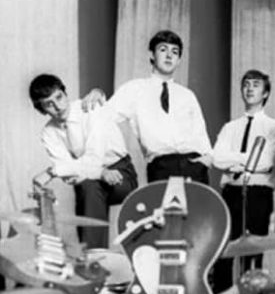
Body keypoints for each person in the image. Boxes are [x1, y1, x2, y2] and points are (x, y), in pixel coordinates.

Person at [83, 30, 212, 184]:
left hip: (194, 166)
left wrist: (203, 162)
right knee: (162, 208)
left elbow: (202, 137)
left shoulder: (187, 95)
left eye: (175, 52)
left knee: (197, 208)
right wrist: (98, 94)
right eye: (163, 49)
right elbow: (105, 115)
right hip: (162, 166)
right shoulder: (135, 89)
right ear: (152, 55)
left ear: (178, 60)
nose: (169, 55)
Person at [29, 73, 138, 249]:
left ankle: (91, 257)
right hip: (90, 183)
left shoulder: (89, 108)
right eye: (49, 104)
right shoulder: (48, 133)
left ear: (65, 93)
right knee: (88, 189)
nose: (57, 106)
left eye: (59, 97)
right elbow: (69, 174)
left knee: (87, 189)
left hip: (120, 174)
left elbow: (92, 158)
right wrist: (97, 173)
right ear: (41, 110)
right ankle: (93, 258)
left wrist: (52, 172)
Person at [212, 69, 275, 291]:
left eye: (256, 85)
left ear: (265, 93)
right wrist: (247, 158)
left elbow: (265, 162)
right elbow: (217, 159)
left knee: (253, 253)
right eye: (246, 84)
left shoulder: (274, 127)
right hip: (231, 193)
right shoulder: (229, 127)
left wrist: (234, 160)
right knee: (225, 251)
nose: (250, 88)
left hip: (258, 194)